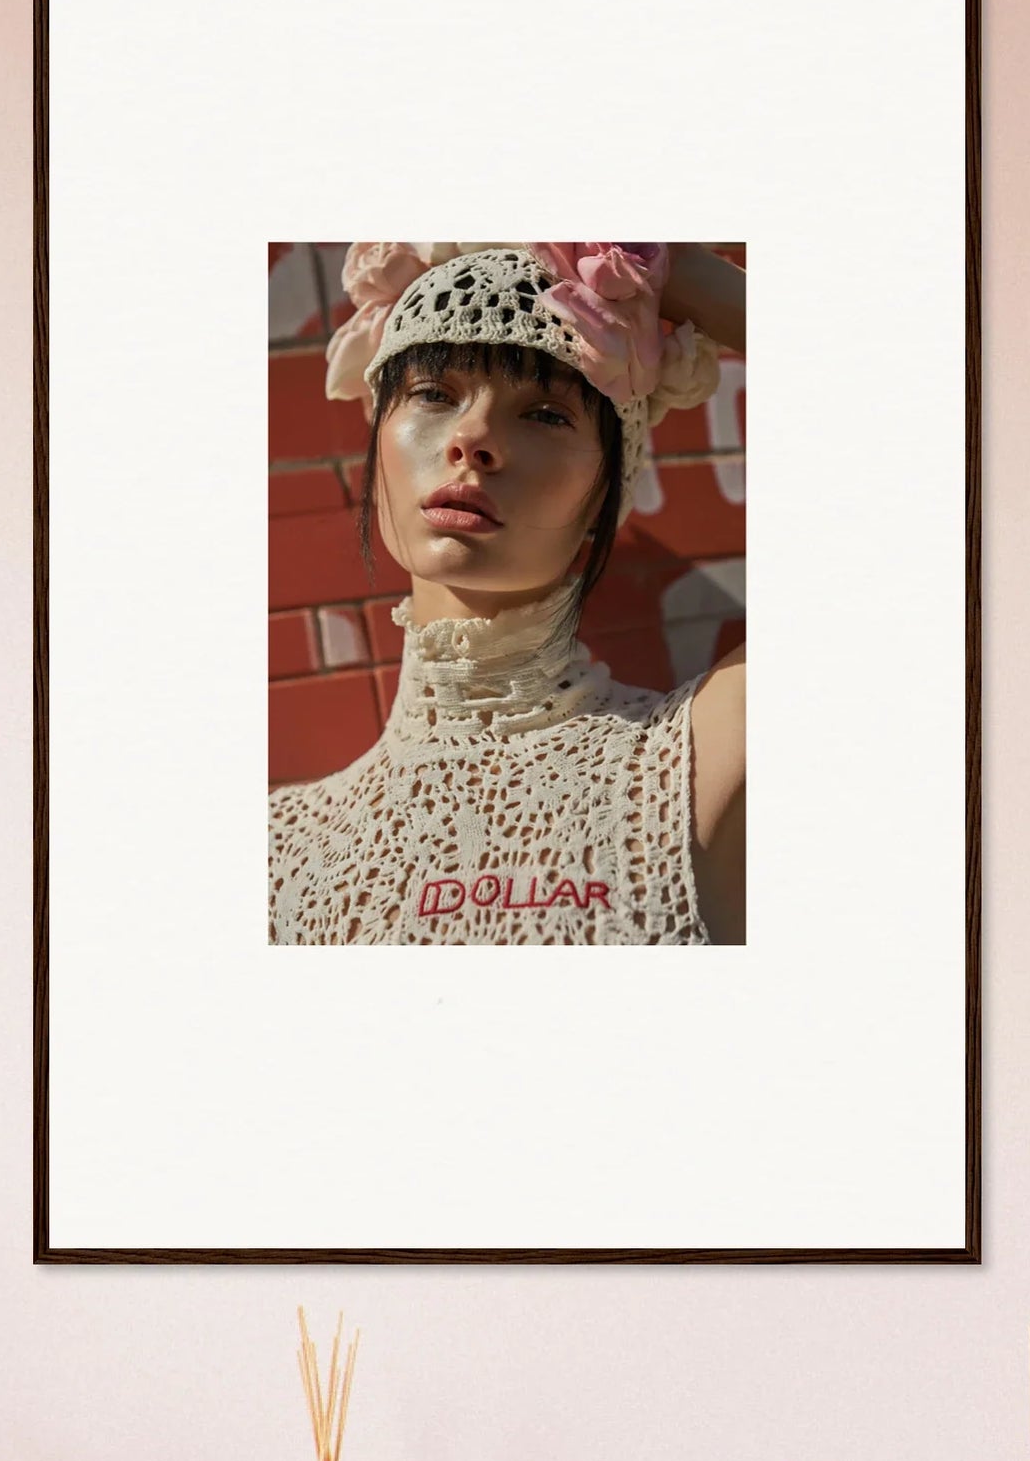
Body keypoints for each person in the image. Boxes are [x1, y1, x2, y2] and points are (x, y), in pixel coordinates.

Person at [268, 242, 746, 945]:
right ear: (377, 452)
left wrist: (661, 262)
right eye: (433, 393)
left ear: (605, 493)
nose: (473, 437)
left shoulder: (696, 764)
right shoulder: (278, 849)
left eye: (547, 413)